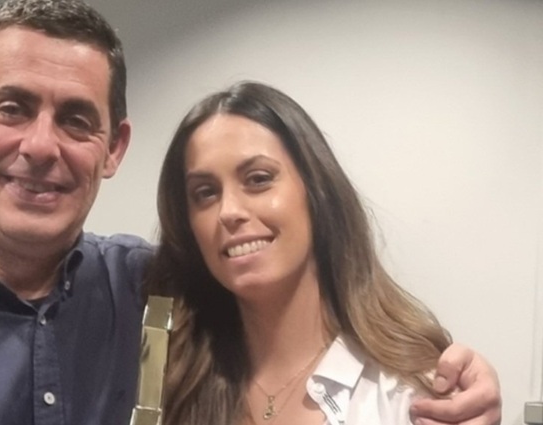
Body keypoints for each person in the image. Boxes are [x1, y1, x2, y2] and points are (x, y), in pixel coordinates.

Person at [0, 1, 499, 424]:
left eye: (77, 120)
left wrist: (463, 380)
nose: (41, 146)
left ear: (113, 148)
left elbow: (296, 302)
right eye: (13, 108)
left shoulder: (153, 292)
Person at [147, 81, 500, 425]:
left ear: (317, 192)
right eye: (205, 193)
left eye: (258, 179)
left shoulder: (410, 397)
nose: (229, 211)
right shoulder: (163, 381)